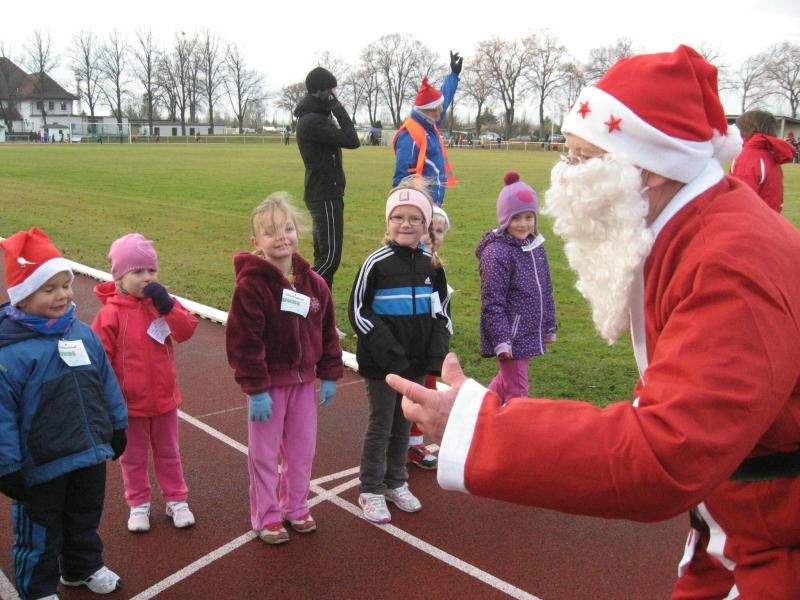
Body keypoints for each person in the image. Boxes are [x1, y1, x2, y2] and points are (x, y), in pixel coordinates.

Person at [388, 45, 800, 598]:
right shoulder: (692, 228)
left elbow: (665, 453)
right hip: (741, 524)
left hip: (774, 542)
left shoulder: (729, 266)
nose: (564, 177)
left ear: (648, 168)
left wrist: (481, 428)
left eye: (583, 158)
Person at [0, 228, 128, 599]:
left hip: (87, 452)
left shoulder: (82, 334)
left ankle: (81, 567)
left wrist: (118, 425)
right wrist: (7, 466)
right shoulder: (9, 353)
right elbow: (2, 416)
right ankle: (38, 588)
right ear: (22, 295)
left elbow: (106, 382)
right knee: (40, 530)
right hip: (41, 464)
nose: (62, 295)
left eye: (65, 285)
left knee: (84, 517)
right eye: (49, 289)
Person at [226, 193, 343, 545]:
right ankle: (266, 515)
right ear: (256, 242)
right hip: (269, 386)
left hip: (304, 383)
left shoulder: (314, 283)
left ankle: (295, 506)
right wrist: (256, 389)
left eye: (288, 229)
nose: (282, 238)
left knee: (301, 450)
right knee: (264, 454)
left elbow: (327, 330)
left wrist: (329, 374)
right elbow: (244, 342)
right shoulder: (251, 287)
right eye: (271, 232)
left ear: (298, 233)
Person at [348, 183, 451, 523]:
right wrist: (390, 352)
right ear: (387, 222)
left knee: (403, 424)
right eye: (398, 217)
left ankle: (396, 481)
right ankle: (371, 488)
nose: (406, 224)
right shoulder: (375, 263)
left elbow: (442, 314)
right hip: (383, 364)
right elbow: (358, 312)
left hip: (416, 364)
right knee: (381, 423)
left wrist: (433, 357)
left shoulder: (432, 266)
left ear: (426, 225)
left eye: (414, 218)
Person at [91, 233, 199, 533]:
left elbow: (186, 331)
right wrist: (109, 401)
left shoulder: (163, 304)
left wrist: (168, 308)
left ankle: (176, 499)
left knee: (169, 454)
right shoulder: (110, 314)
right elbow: (99, 360)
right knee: (133, 459)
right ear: (119, 277)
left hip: (164, 400)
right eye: (137, 272)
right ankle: (138, 503)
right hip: (130, 407)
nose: (147, 277)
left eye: (151, 270)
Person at [477, 172, 557, 403]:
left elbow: (545, 289)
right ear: (504, 218)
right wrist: (502, 339)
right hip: (511, 336)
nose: (523, 224)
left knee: (505, 383)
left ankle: (476, 411)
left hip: (529, 331)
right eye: (516, 218)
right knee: (518, 394)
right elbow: (493, 301)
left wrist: (549, 324)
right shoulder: (497, 253)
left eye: (529, 217)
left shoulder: (535, 246)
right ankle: (514, 426)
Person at [293, 66, 360, 293]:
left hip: (323, 192)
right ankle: (296, 298)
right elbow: (352, 139)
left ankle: (321, 310)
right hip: (325, 194)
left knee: (322, 257)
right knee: (329, 259)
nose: (335, 95)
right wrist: (337, 107)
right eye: (332, 91)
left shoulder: (315, 117)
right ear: (320, 92)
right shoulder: (313, 121)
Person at [408, 204, 452, 470]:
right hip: (403, 344)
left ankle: (414, 443)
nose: (433, 236)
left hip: (428, 345)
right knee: (403, 395)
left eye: (439, 231)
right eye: (429, 229)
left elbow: (443, 310)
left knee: (426, 392)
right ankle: (395, 442)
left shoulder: (437, 267)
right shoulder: (401, 262)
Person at [392, 51, 462, 206]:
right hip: (419, 206)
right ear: (430, 109)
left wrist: (454, 75)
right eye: (440, 106)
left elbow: (444, 97)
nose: (443, 108)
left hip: (433, 204)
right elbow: (401, 177)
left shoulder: (429, 123)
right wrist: (404, 208)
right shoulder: (410, 135)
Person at [729, 110, 796, 212]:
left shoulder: (749, 156)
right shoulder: (767, 154)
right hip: (768, 216)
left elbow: (741, 200)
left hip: (753, 218)